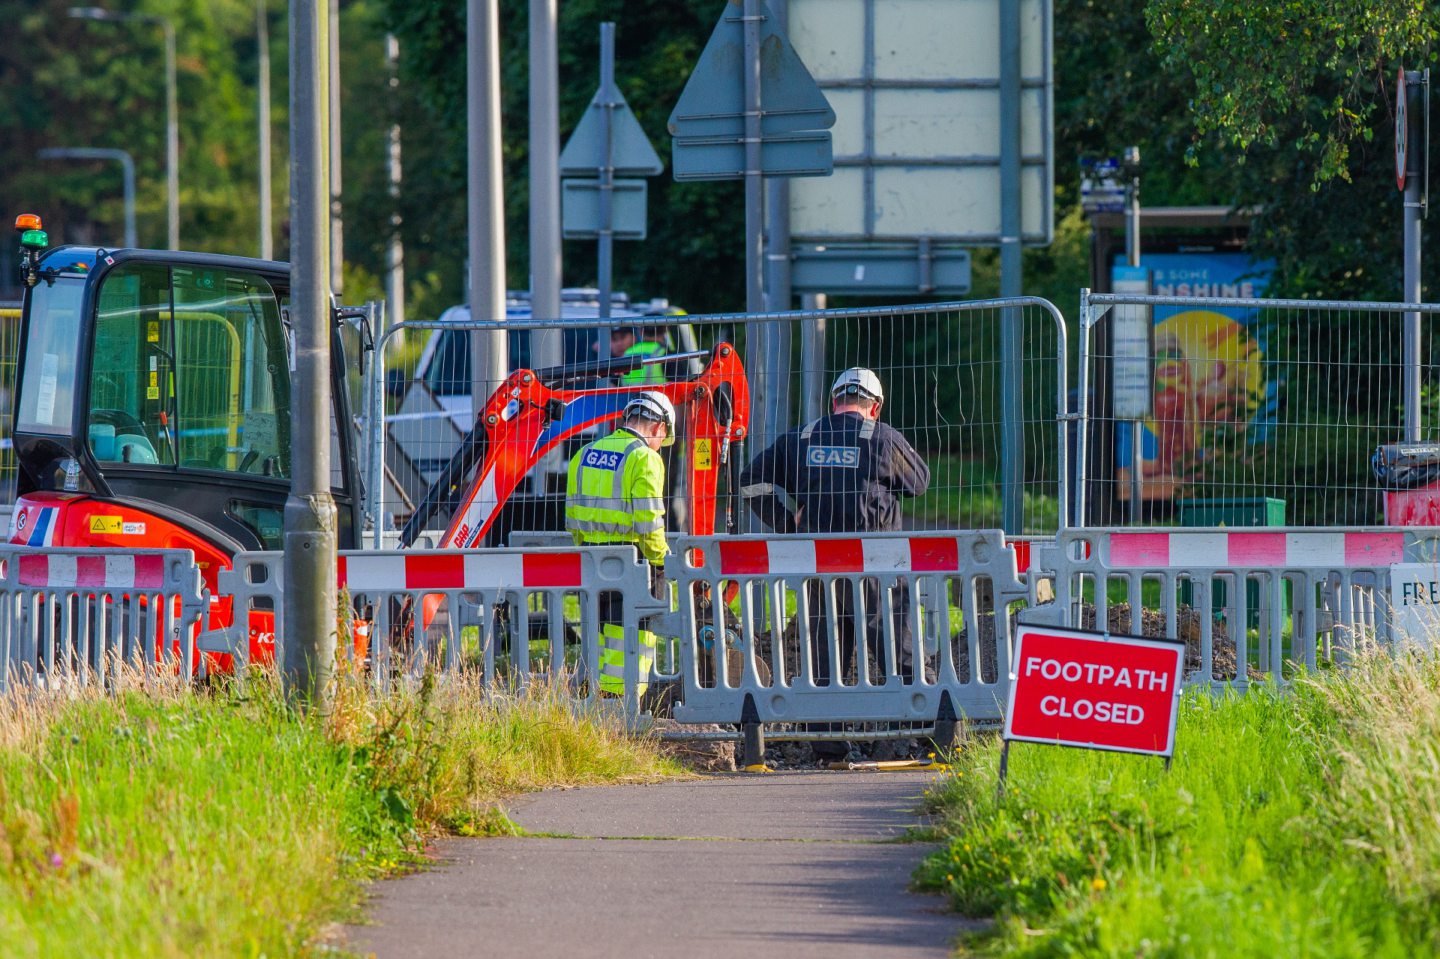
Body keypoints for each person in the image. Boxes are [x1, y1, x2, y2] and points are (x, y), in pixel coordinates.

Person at [738, 368, 931, 689]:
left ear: (833, 402)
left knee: (825, 659)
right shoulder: (882, 438)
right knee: (898, 650)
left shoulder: (800, 438)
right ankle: (930, 720)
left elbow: (749, 482)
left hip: (818, 564)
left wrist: (787, 524)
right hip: (875, 566)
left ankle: (825, 733)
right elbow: (920, 483)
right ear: (876, 406)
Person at [565, 391, 675, 697]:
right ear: (658, 428)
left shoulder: (583, 453)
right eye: (661, 441)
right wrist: (662, 561)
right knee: (632, 638)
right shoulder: (644, 458)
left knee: (599, 634)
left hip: (590, 559)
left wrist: (586, 549)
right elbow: (649, 522)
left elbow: (572, 518)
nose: (659, 448)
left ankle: (595, 698)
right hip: (634, 562)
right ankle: (620, 704)